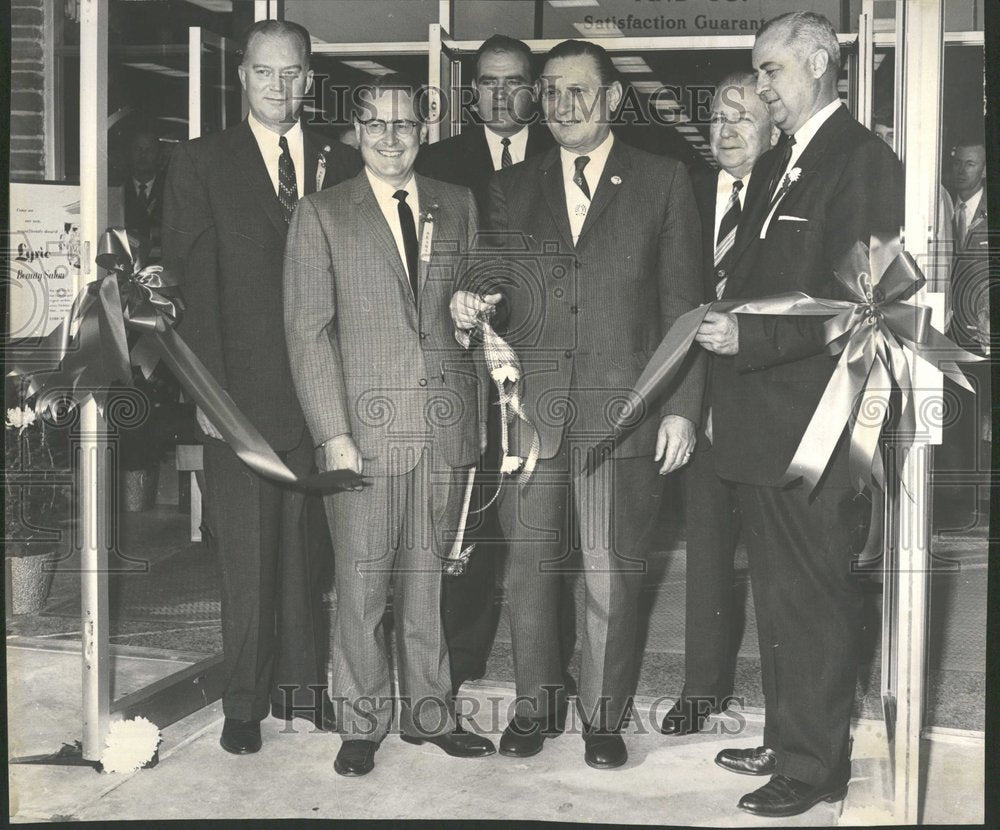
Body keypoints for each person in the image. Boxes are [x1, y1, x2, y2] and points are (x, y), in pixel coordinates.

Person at [452, 39, 703, 770]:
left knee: (609, 576)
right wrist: (470, 300)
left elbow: (685, 305)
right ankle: (534, 706)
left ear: (614, 99)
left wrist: (682, 407)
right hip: (531, 418)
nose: (562, 106)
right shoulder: (514, 186)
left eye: (579, 92)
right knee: (529, 573)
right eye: (551, 92)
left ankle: (602, 717)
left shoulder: (663, 180)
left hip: (623, 418)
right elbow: (490, 279)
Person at [694, 12, 903, 817]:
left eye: (770, 71)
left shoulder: (861, 160)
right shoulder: (788, 160)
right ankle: (790, 739)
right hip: (762, 422)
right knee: (782, 599)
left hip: (813, 426)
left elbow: (869, 300)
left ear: (818, 62)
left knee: (811, 600)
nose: (760, 89)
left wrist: (747, 335)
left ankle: (817, 769)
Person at [283, 75, 496, 778]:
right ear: (356, 131)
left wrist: (472, 312)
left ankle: (431, 715)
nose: (391, 137)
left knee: (429, 583)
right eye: (376, 124)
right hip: (364, 436)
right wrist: (331, 432)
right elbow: (309, 334)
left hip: (443, 426)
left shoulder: (457, 203)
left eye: (405, 124)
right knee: (363, 586)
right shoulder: (322, 214)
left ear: (423, 130)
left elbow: (468, 307)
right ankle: (362, 721)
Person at [161, 19, 362, 756]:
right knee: (246, 558)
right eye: (265, 72)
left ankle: (304, 691)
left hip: (325, 399)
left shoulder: (342, 162)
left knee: (309, 557)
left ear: (310, 81)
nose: (280, 86)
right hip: (238, 400)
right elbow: (187, 288)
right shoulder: (200, 163)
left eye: (294, 73)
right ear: (241, 77)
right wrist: (209, 401)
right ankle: (243, 704)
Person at [416, 34, 556, 703]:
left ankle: (552, 666)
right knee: (466, 513)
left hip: (547, 372)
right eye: (489, 83)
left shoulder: (565, 158)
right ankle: (463, 653)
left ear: (534, 89)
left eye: (515, 81)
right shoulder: (437, 163)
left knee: (542, 521)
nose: (502, 95)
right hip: (464, 371)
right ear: (472, 94)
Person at [660, 70, 778, 737]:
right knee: (705, 559)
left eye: (744, 118)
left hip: (772, 411)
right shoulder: (688, 195)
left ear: (771, 127)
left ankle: (790, 708)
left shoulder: (787, 196)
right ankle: (701, 691)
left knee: (778, 568)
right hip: (701, 411)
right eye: (718, 119)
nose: (728, 131)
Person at [937, 136, 990, 523]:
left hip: (981, 331)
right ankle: (956, 502)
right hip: (945, 327)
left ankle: (973, 502)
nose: (960, 171)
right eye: (956, 163)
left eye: (970, 164)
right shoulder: (940, 204)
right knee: (952, 415)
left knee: (976, 415)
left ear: (985, 170)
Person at [122, 122, 166, 259]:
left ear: (159, 155)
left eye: (149, 150)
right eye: (138, 149)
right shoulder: (117, 190)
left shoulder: (169, 190)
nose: (143, 155)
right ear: (129, 153)